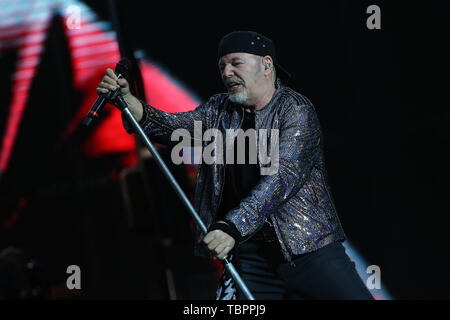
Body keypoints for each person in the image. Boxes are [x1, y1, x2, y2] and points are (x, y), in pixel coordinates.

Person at [96, 30, 374, 300]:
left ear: (266, 65)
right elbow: (174, 127)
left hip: (308, 252)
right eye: (222, 66)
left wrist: (232, 227)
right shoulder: (220, 110)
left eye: (235, 63)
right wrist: (130, 103)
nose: (226, 72)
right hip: (251, 257)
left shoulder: (296, 110)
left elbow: (282, 178)